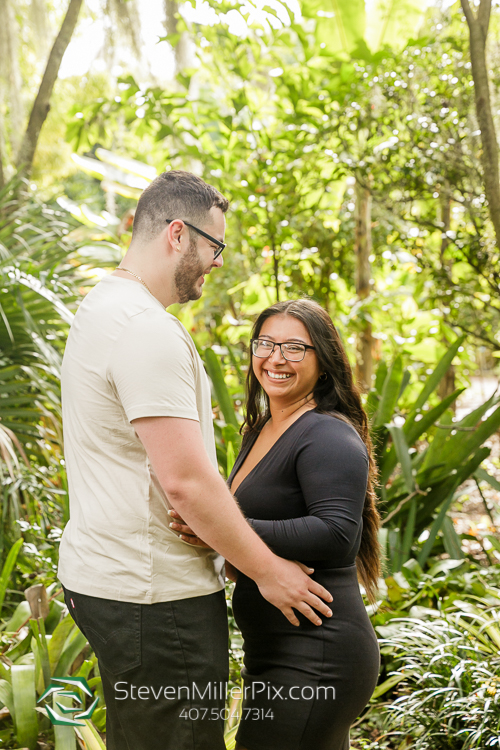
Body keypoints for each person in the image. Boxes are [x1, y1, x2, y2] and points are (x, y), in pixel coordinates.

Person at [57, 172, 333, 750]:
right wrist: (268, 570)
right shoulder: (146, 331)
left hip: (109, 582)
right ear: (178, 234)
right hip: (155, 600)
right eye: (215, 247)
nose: (217, 263)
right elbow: (186, 483)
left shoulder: (100, 307)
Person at [171, 298, 381, 750]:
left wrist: (221, 530)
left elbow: (338, 534)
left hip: (318, 651)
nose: (275, 358)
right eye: (265, 344)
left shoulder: (327, 432)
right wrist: (229, 545)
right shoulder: (261, 428)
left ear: (323, 361)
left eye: (294, 348)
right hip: (275, 651)